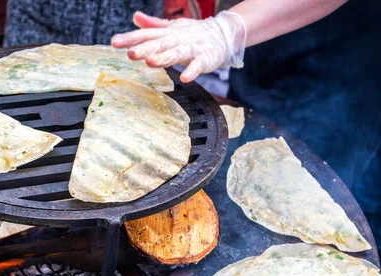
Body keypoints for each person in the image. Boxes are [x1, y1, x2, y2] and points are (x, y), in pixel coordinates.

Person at [111, 0, 381, 251]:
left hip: (351, 63)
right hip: (263, 34)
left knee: (344, 200)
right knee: (253, 148)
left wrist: (226, 30)